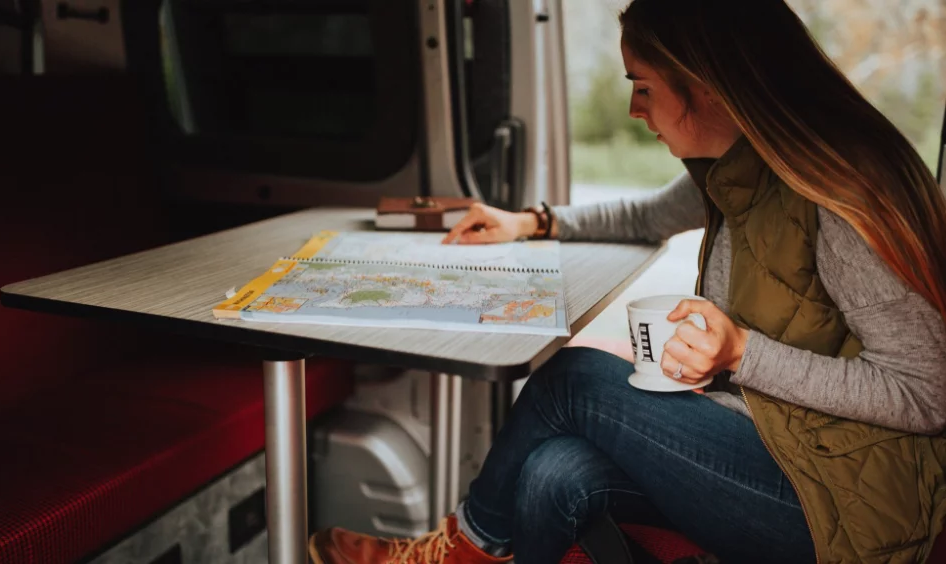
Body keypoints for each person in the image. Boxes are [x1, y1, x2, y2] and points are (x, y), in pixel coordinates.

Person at [308, 0, 946, 562]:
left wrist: (742, 354)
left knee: (573, 377)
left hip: (852, 502)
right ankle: (476, 547)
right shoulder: (742, 165)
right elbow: (644, 216)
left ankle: (461, 550)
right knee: (551, 473)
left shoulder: (838, 191)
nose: (634, 110)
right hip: (779, 442)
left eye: (643, 87)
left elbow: (927, 393)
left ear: (709, 83)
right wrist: (530, 221)